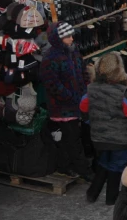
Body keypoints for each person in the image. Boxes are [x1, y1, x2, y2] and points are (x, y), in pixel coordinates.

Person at [80, 52, 127, 205]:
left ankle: (92, 193)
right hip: (120, 138)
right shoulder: (122, 93)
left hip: (98, 136)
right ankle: (111, 197)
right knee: (117, 164)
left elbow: (83, 108)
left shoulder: (91, 89)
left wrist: (91, 122)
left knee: (103, 161)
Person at [39, 22, 92, 181]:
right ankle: (84, 170)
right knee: (73, 138)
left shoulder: (74, 51)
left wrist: (85, 89)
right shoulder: (50, 57)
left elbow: (82, 71)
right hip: (63, 107)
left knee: (71, 137)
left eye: (71, 35)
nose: (71, 39)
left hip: (77, 102)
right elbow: (52, 84)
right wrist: (70, 96)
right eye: (67, 36)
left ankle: (64, 165)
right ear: (58, 38)